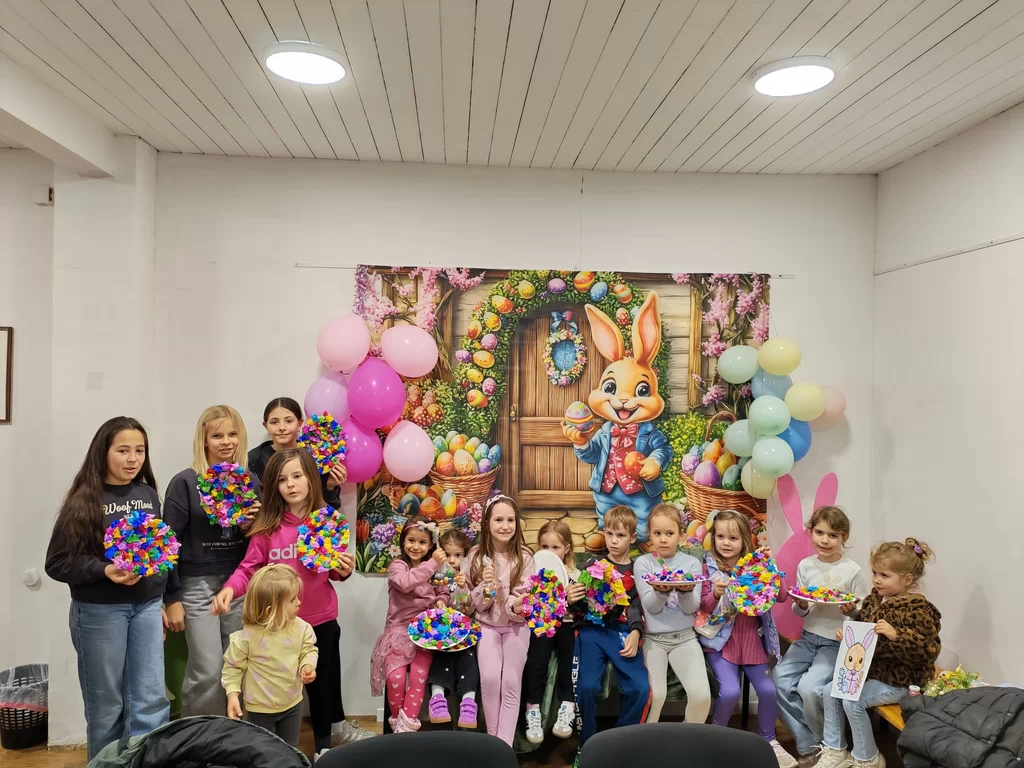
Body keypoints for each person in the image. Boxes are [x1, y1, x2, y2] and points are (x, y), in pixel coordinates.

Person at [212, 448, 371, 760]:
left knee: (322, 688)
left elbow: (334, 572)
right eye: (283, 480)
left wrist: (344, 569)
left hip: (321, 621)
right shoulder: (267, 527)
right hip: (275, 628)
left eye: (297, 476)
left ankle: (323, 749)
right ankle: (273, 752)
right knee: (277, 689)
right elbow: (248, 568)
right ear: (275, 486)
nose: (291, 484)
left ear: (311, 478)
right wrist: (230, 589)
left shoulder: (328, 523)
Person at [45, 417, 179, 760]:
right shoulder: (84, 499)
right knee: (106, 705)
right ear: (103, 452)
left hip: (147, 606)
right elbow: (58, 562)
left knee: (151, 700)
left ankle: (141, 763)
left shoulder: (148, 494)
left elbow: (163, 552)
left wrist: (166, 599)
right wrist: (105, 570)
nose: (133, 459)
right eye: (123, 451)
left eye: (139, 450)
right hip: (99, 612)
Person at [164, 405, 260, 718]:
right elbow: (168, 543)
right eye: (217, 435)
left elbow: (261, 538)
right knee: (207, 668)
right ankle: (202, 734)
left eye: (232, 434)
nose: (226, 441)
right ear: (204, 440)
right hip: (197, 584)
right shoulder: (185, 482)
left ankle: (234, 733)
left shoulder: (249, 480)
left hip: (239, 583)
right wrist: (172, 597)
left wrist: (249, 526)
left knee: (237, 663)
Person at [817, 539, 941, 768]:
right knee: (830, 690)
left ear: (906, 580)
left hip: (901, 681)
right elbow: (866, 627)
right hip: (872, 672)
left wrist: (897, 635)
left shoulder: (918, 610)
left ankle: (868, 758)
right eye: (874, 572)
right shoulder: (875, 599)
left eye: (884, 575)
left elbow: (928, 652)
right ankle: (836, 750)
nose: (876, 579)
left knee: (853, 702)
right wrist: (852, 627)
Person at [774, 506, 871, 763]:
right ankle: (809, 741)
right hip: (808, 638)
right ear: (811, 532)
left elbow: (865, 611)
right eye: (819, 532)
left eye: (833, 535)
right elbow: (801, 609)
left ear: (844, 538)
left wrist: (852, 611)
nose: (825, 540)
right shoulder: (806, 565)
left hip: (835, 643)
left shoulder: (853, 570)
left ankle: (828, 744)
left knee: (810, 688)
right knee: (778, 680)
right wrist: (801, 604)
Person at [699, 510, 794, 767]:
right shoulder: (709, 566)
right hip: (721, 642)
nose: (726, 543)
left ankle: (770, 740)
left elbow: (781, 596)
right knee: (730, 691)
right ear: (713, 538)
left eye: (733, 538)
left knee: (768, 690)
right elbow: (704, 605)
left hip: (751, 641)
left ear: (745, 541)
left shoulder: (756, 565)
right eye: (720, 536)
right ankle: (715, 738)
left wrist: (772, 567)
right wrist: (716, 593)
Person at [574, 505, 650, 746]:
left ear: (633, 538)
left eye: (621, 535)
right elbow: (579, 604)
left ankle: (619, 744)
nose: (614, 541)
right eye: (609, 534)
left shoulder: (638, 570)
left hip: (622, 631)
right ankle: (586, 745)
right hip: (591, 631)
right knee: (586, 686)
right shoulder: (592, 565)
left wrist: (636, 632)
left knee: (640, 688)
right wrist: (571, 598)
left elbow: (638, 606)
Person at [462, 495, 534, 745]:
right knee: (491, 680)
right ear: (487, 523)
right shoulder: (474, 556)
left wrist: (517, 605)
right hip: (486, 626)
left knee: (511, 683)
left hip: (517, 627)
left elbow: (523, 599)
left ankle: (505, 746)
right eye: (499, 520)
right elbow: (470, 603)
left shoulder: (525, 557)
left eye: (510, 520)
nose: (505, 526)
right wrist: (487, 588)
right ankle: (493, 743)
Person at [222, 564, 317, 747]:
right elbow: (233, 667)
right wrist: (232, 695)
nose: (299, 602)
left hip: (292, 706)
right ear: (270, 610)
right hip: (258, 711)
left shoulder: (301, 628)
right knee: (262, 752)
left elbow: (308, 650)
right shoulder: (246, 638)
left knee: (290, 750)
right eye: (292, 599)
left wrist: (308, 665)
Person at [370, 515, 448, 733]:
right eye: (411, 540)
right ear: (403, 541)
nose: (416, 546)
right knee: (394, 677)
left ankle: (405, 730)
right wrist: (432, 564)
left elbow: (442, 591)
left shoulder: (436, 569)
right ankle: (399, 725)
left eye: (422, 542)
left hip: (424, 632)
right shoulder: (398, 565)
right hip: (398, 632)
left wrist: (441, 601)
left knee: (418, 676)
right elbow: (405, 583)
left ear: (431, 545)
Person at [634, 504, 711, 725]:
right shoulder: (643, 563)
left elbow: (690, 608)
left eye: (669, 533)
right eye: (657, 533)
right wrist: (660, 590)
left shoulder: (691, 564)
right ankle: (647, 741)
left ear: (680, 535)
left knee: (701, 697)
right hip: (653, 641)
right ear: (650, 535)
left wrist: (685, 591)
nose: (663, 539)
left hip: (685, 638)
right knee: (655, 697)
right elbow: (651, 607)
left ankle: (688, 739)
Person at [522, 519, 586, 743]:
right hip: (543, 624)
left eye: (555, 547)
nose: (549, 552)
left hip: (567, 624)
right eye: (544, 547)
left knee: (570, 656)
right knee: (537, 659)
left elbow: (583, 610)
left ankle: (567, 706)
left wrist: (571, 600)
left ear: (567, 548)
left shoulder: (576, 575)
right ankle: (533, 709)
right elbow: (529, 604)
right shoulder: (533, 572)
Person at [248, 397, 346, 509]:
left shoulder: (317, 455)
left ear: (299, 423)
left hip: (309, 518)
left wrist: (330, 487)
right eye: (274, 422)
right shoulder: (254, 459)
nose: (282, 428)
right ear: (266, 426)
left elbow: (330, 509)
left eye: (289, 421)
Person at [426, 528, 480, 729]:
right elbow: (430, 599)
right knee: (442, 657)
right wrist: (439, 604)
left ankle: (469, 702)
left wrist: (464, 587)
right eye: (447, 554)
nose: (452, 560)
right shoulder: (436, 575)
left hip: (465, 631)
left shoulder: (468, 576)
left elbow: (469, 606)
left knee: (469, 658)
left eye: (458, 555)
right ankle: (438, 698)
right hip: (442, 632)